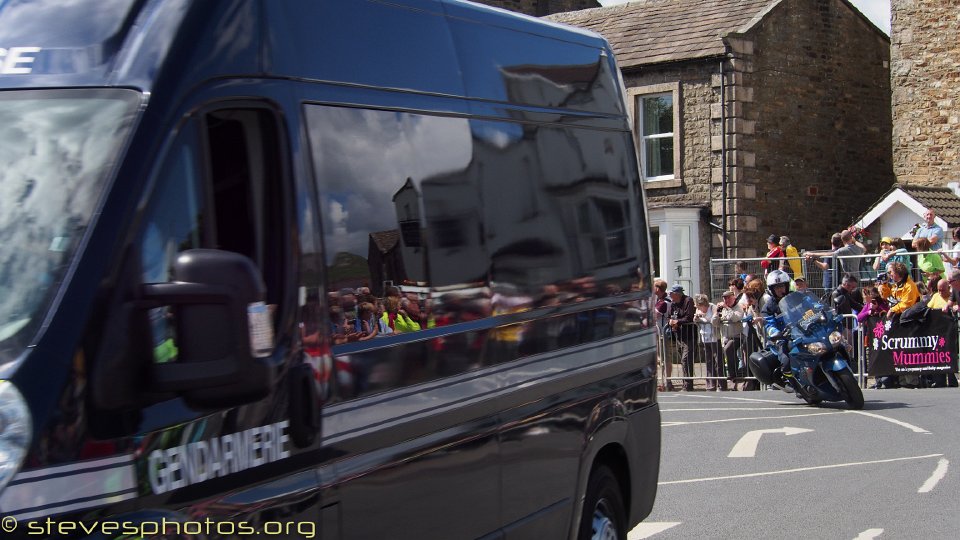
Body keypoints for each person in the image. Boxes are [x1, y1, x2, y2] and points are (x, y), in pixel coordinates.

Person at [760, 270, 794, 385]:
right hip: (783, 337)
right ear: (771, 289)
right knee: (786, 361)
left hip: (802, 332)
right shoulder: (769, 307)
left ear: (787, 286)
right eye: (777, 287)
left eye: (782, 286)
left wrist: (821, 309)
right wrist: (775, 333)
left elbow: (810, 306)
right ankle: (794, 382)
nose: (780, 289)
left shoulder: (795, 298)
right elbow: (768, 324)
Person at [667, 284, 696, 391]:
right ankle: (686, 383)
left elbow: (689, 317)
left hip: (689, 335)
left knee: (686, 359)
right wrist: (671, 321)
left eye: (671, 293)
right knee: (683, 360)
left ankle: (688, 385)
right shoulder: (672, 303)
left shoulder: (688, 301)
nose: (670, 295)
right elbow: (670, 316)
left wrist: (677, 321)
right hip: (678, 334)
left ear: (677, 293)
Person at [713, 290, 743, 391]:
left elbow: (735, 318)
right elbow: (714, 323)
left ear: (733, 297)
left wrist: (727, 308)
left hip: (737, 336)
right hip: (725, 337)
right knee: (726, 352)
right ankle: (730, 378)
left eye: (728, 298)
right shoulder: (722, 309)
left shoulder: (738, 307)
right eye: (724, 298)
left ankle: (732, 374)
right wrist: (717, 313)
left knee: (729, 349)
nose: (726, 300)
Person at [693, 295, 723, 391]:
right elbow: (696, 321)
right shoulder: (698, 310)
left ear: (703, 304)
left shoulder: (712, 307)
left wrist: (704, 318)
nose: (697, 308)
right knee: (709, 361)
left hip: (715, 337)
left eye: (698, 305)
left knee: (718, 361)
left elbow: (714, 321)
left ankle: (721, 384)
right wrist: (696, 319)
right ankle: (711, 384)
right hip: (705, 337)